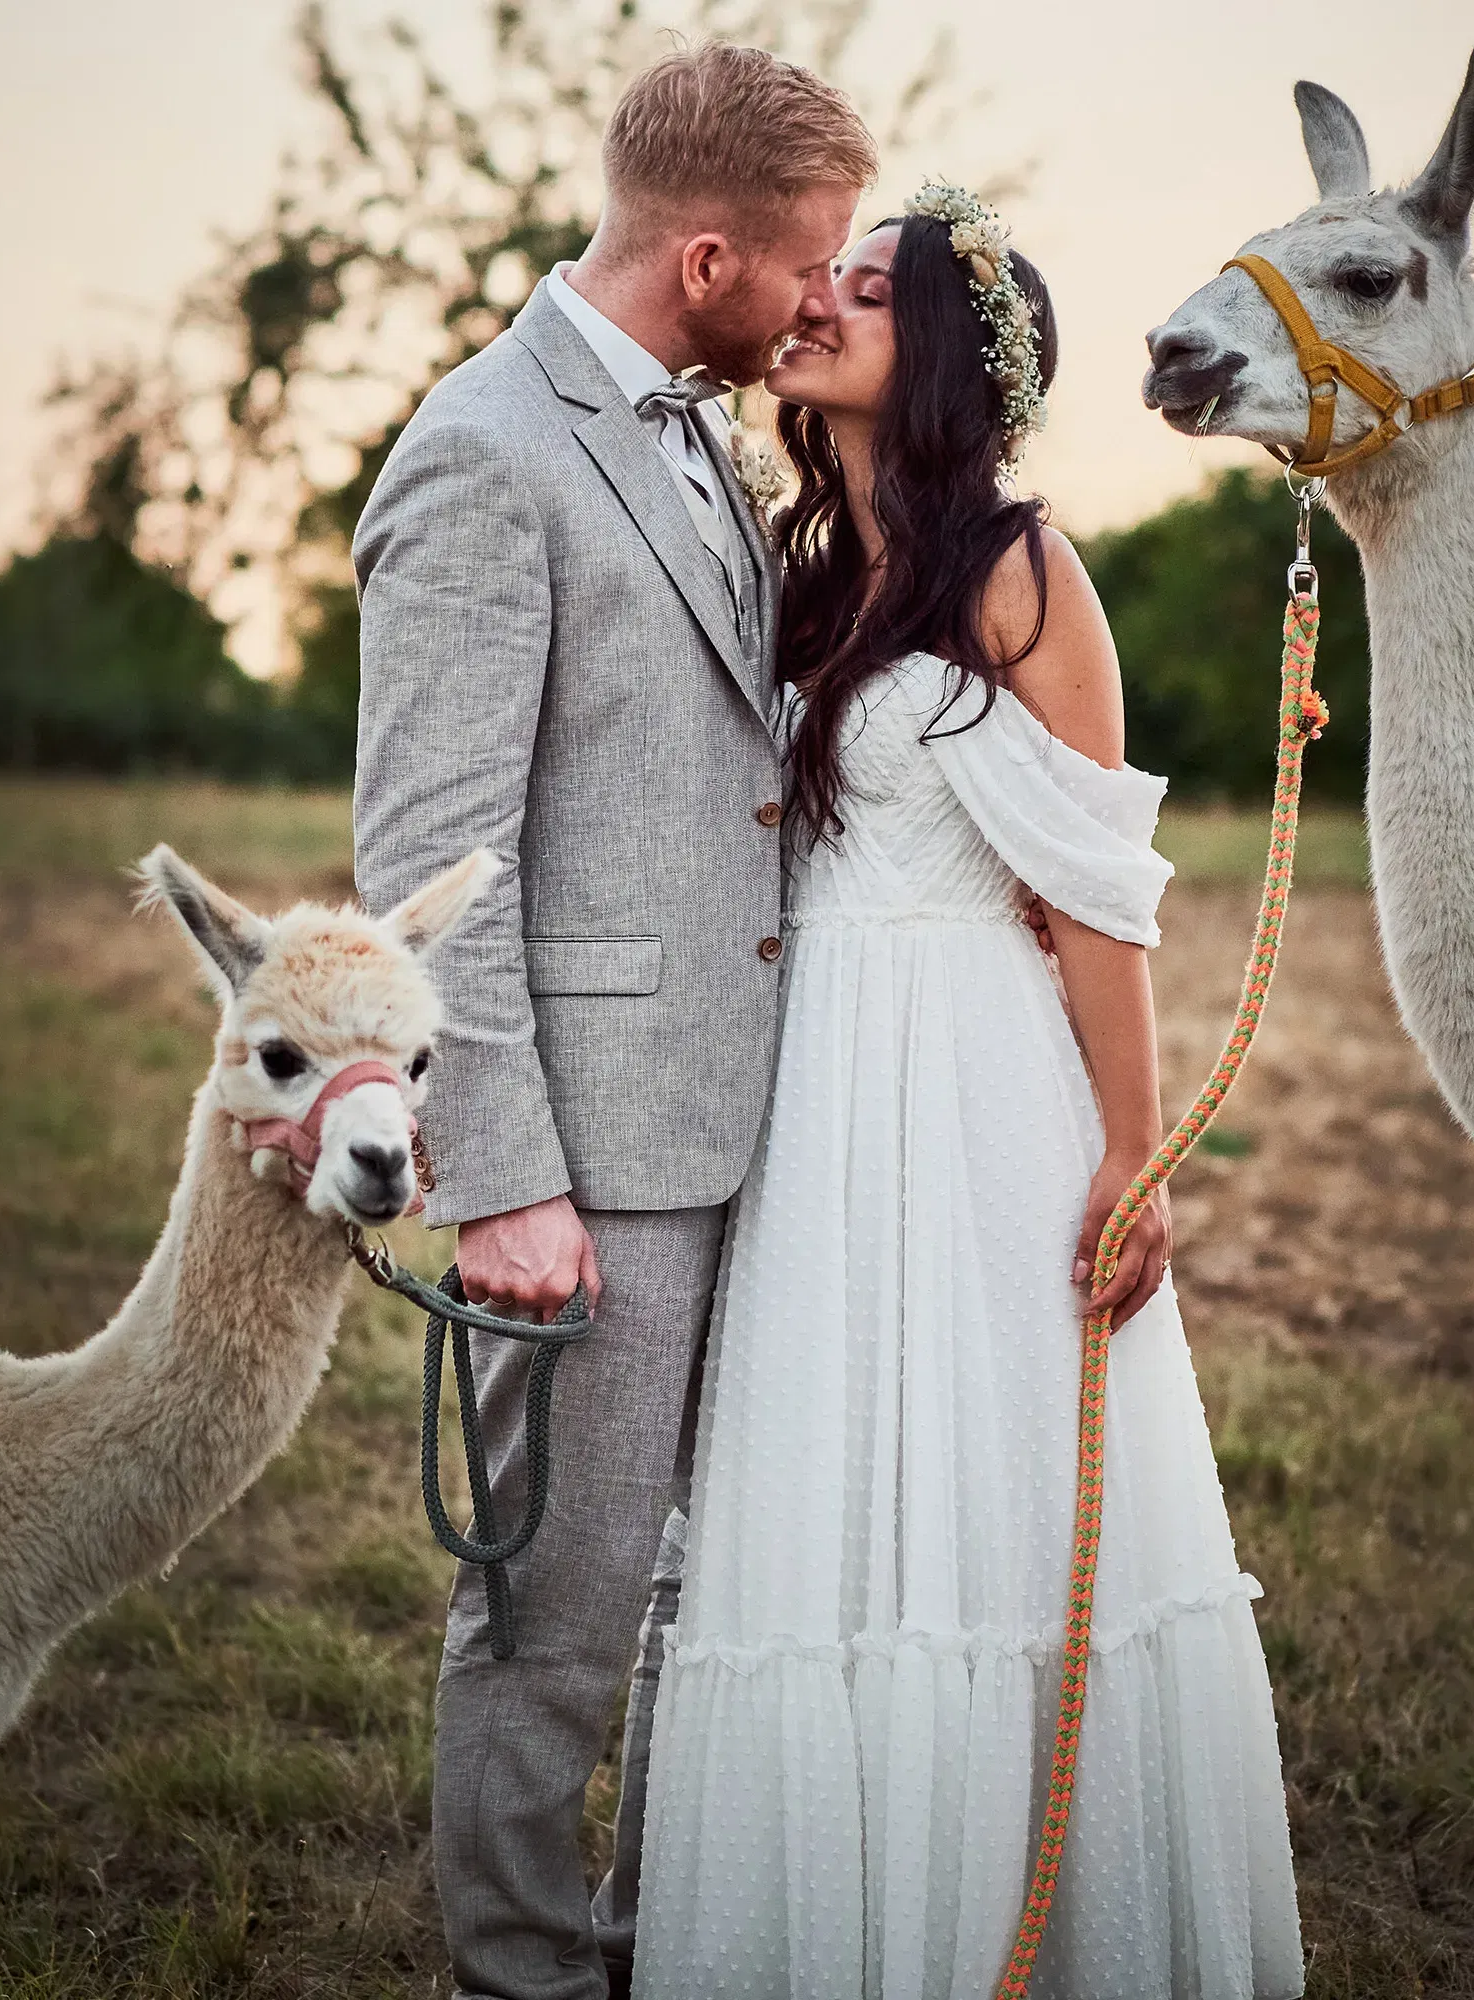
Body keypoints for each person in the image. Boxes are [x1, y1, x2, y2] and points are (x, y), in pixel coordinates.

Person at [634, 190, 1306, 2000]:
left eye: (867, 289)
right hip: (815, 1089)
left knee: (989, 1504)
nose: (819, 302)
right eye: (826, 277)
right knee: (826, 1495)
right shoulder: (800, 564)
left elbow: (1094, 894)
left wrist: (1135, 1153)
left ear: (938, 353)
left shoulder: (1021, 569)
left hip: (975, 1088)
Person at [351, 42, 878, 2000]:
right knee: (552, 1617)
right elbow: (431, 861)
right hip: (585, 1152)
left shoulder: (698, 433)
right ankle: (517, 1974)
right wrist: (501, 1178)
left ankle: (661, 1951)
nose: (822, 300)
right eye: (809, 262)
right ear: (709, 258)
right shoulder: (482, 451)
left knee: (702, 1599)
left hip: (749, 1122)